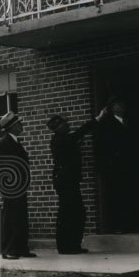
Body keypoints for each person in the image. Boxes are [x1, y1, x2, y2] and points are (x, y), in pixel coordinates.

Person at [47, 107, 108, 254]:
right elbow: (79, 133)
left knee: (73, 213)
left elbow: (73, 141)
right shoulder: (61, 140)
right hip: (66, 182)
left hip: (68, 181)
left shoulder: (62, 140)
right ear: (58, 128)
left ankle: (71, 245)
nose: (67, 125)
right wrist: (98, 118)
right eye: (64, 125)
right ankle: (67, 246)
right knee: (71, 213)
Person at [0, 111, 34, 259]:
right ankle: (8, 250)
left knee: (20, 217)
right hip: (11, 188)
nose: (21, 125)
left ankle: (21, 248)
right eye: (19, 124)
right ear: (12, 127)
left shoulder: (15, 142)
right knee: (11, 218)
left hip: (20, 187)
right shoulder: (4, 143)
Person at [94, 95, 136, 233]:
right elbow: (104, 144)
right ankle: (118, 225)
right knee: (117, 195)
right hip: (115, 166)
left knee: (128, 194)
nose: (122, 106)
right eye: (118, 104)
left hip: (127, 164)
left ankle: (129, 223)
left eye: (122, 103)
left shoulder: (128, 121)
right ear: (112, 107)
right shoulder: (107, 123)